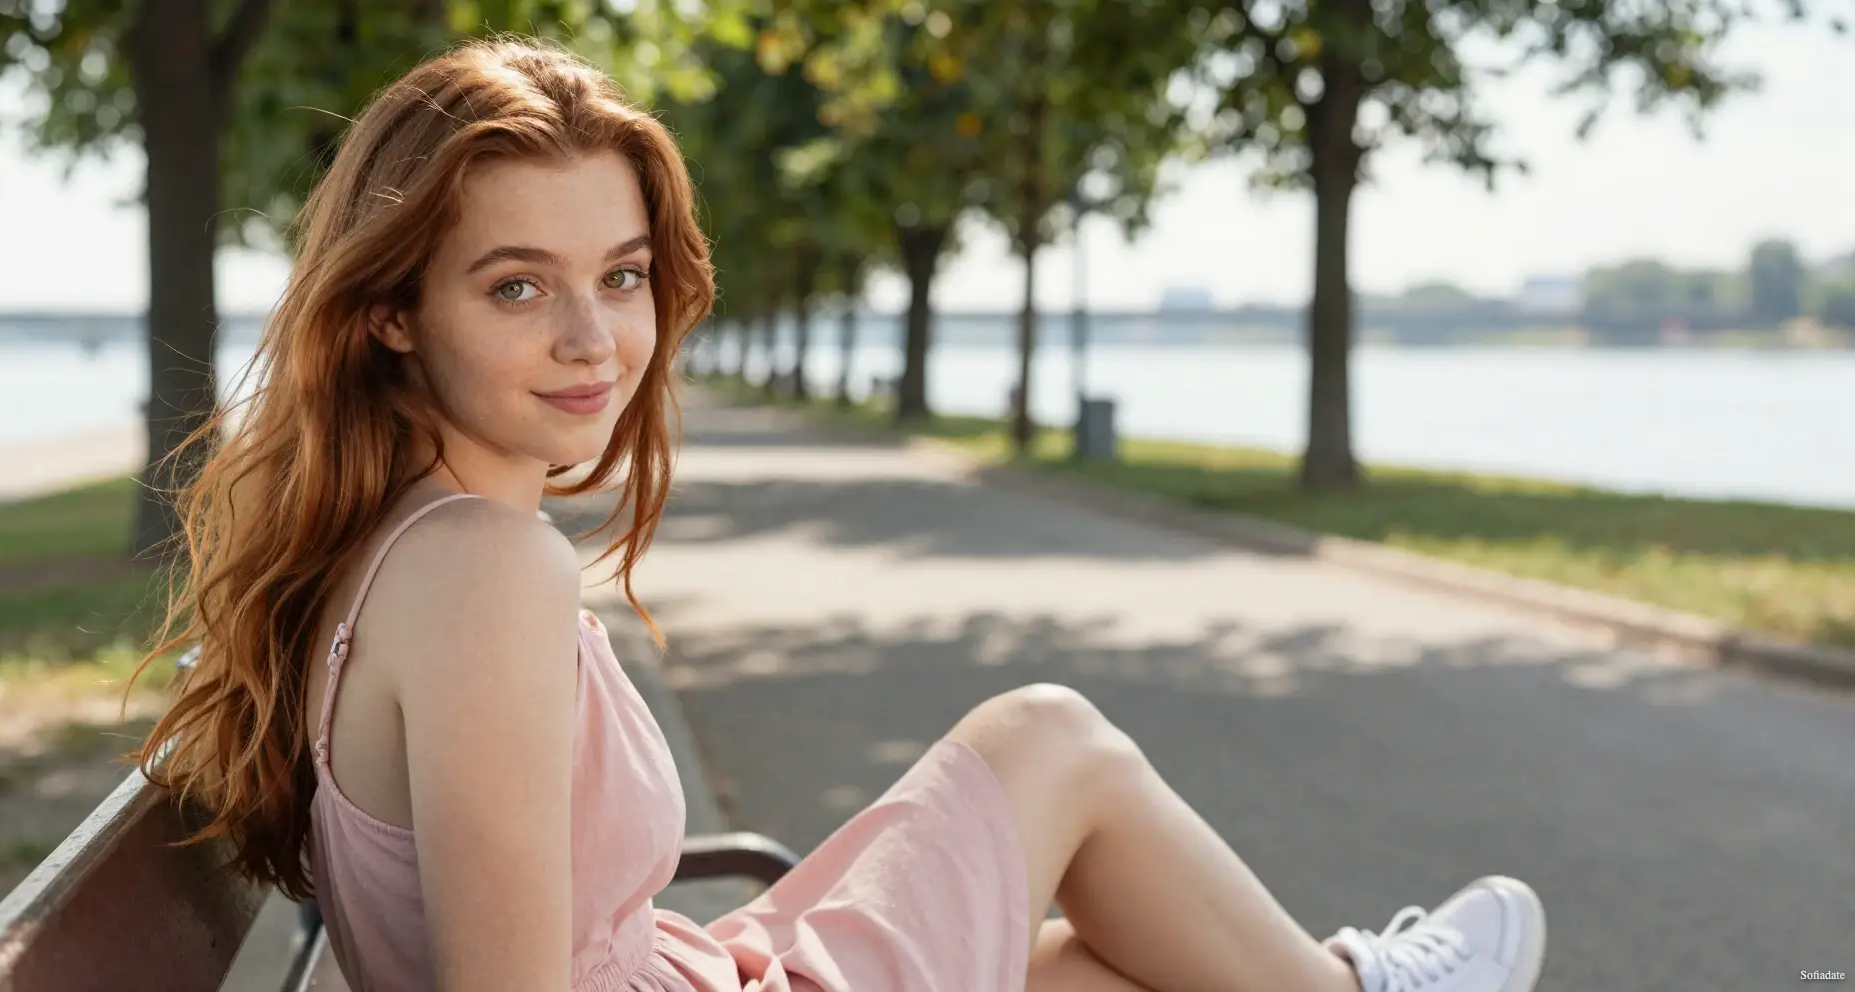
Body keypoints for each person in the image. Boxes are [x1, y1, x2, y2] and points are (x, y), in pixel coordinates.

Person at [136, 36, 1548, 992]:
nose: (591, 339)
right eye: (517, 286)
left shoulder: (395, 545)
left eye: (620, 276)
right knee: (1045, 738)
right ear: (391, 312)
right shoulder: (485, 567)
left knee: (1111, 965)